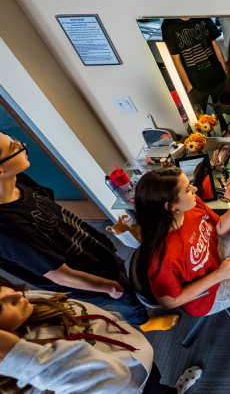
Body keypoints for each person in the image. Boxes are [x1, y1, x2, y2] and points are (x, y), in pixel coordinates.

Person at [0, 132, 155, 328]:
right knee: (124, 297)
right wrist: (107, 287)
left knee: (122, 275)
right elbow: (61, 275)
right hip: (83, 275)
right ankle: (144, 322)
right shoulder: (9, 231)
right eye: (14, 147)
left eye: (14, 140)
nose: (21, 144)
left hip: (87, 248)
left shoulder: (19, 180)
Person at [0, 278, 200, 394]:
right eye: (0, 307)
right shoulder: (26, 380)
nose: (16, 294)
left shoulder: (26, 303)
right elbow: (114, 380)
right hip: (126, 384)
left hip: (134, 353)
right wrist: (15, 355)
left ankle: (172, 391)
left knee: (155, 382)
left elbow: (82, 311)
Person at [135, 168, 230, 318]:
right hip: (207, 295)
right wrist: (219, 275)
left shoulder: (191, 204)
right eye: (188, 189)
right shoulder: (162, 258)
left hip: (212, 253)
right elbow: (169, 302)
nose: (195, 189)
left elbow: (220, 227)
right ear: (171, 206)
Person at [160, 18, 227, 110]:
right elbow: (176, 59)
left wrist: (225, 71)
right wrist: (189, 87)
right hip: (195, 84)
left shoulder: (202, 16)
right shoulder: (169, 25)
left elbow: (215, 46)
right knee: (198, 119)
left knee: (224, 115)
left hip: (218, 76)